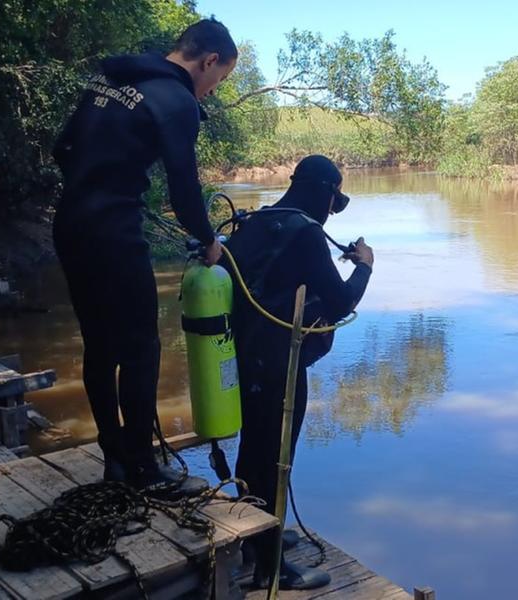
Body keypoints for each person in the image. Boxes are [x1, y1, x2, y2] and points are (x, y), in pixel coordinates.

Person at [51, 19, 236, 491]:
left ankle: (115, 460)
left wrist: (99, 182)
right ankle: (144, 470)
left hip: (70, 224)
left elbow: (63, 148)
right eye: (219, 80)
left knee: (99, 346)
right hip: (113, 232)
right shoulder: (177, 102)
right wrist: (209, 240)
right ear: (208, 60)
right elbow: (184, 188)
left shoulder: (111, 78)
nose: (213, 92)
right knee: (141, 349)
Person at [223, 155, 374, 589]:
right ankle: (273, 570)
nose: (331, 210)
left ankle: (256, 537)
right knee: (277, 459)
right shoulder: (306, 234)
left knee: (254, 447)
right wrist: (364, 265)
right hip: (282, 363)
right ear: (326, 192)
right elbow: (342, 301)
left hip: (245, 355)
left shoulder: (258, 221)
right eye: (333, 200)